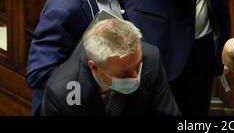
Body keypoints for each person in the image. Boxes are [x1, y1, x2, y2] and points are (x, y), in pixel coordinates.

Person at [41, 18, 180, 116]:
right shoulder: (62, 94)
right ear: (94, 67)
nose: (135, 77)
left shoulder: (151, 58)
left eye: (138, 66)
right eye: (124, 74)